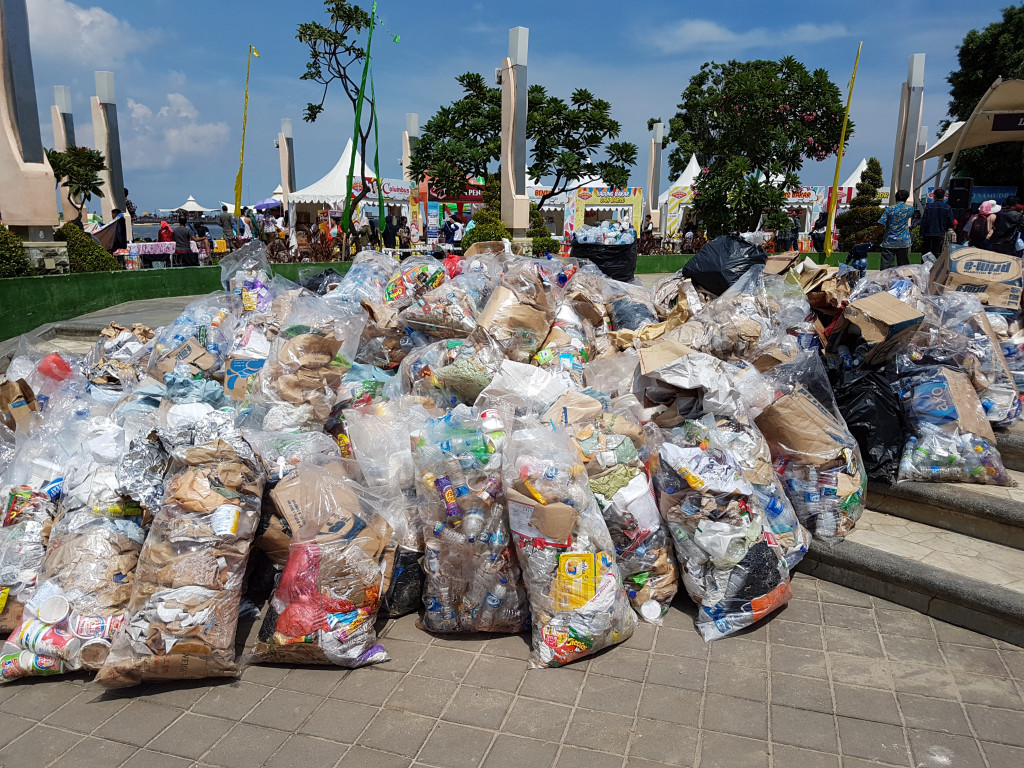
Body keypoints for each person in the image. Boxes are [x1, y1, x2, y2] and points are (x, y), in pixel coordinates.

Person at [877, 189, 914, 269]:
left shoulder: (889, 209)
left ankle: (886, 280)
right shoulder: (910, 209)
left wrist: (875, 235)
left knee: (886, 267)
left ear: (896, 197)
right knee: (903, 266)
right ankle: (904, 280)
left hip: (889, 240)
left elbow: (881, 223)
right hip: (903, 240)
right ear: (906, 198)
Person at [920, 188, 955, 257]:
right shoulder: (947, 207)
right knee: (936, 252)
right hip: (940, 233)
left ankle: (924, 266)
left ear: (934, 196)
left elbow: (923, 222)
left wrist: (921, 235)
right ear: (943, 196)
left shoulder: (928, 207)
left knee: (925, 253)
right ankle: (935, 266)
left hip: (928, 233)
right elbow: (950, 222)